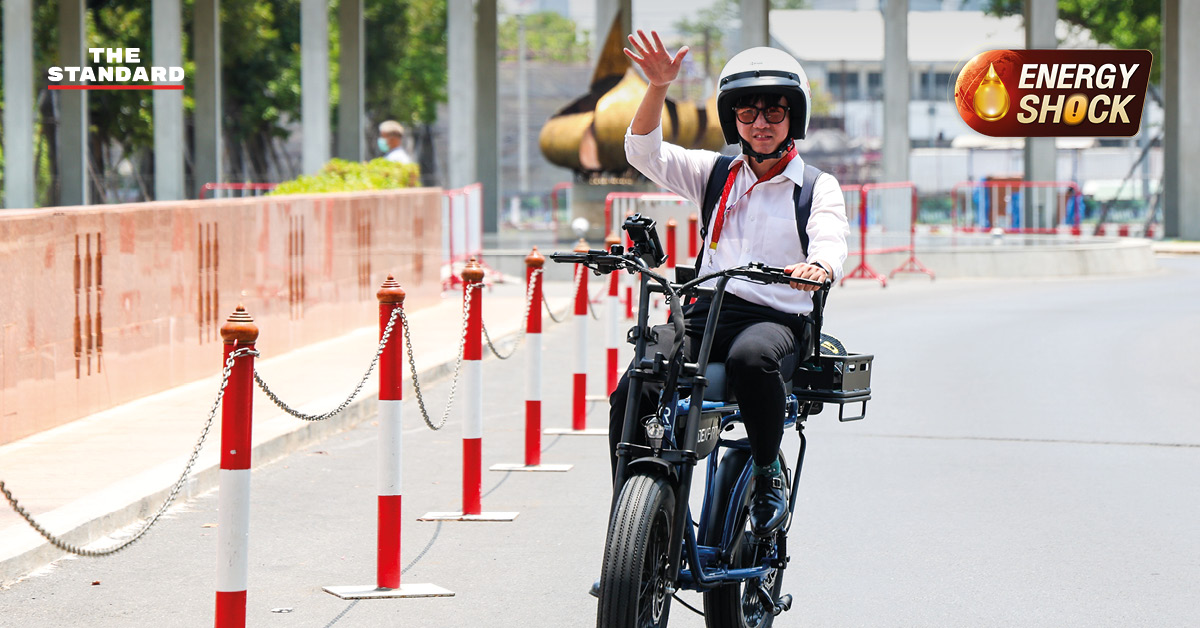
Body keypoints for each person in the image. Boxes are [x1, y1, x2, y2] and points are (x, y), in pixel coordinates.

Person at [612, 31, 849, 537]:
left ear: (794, 119)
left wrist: (820, 267)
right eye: (748, 113)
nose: (761, 123)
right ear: (733, 120)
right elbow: (642, 153)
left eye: (774, 112)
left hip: (778, 316)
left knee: (751, 359)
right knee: (636, 380)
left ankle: (766, 477)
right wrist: (657, 87)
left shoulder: (816, 187)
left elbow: (830, 237)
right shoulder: (715, 174)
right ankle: (629, 518)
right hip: (707, 310)